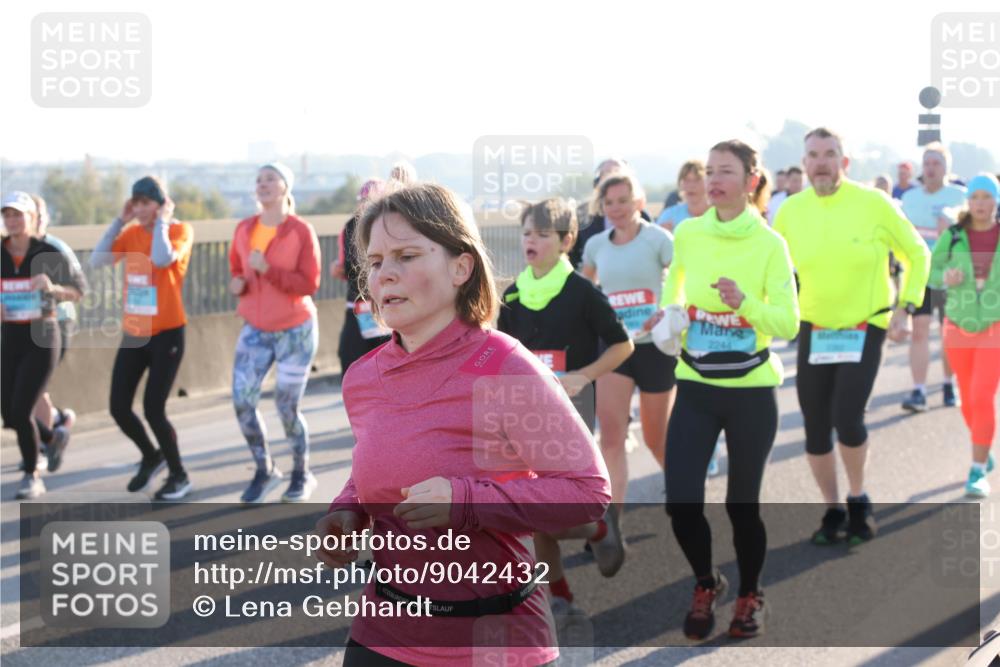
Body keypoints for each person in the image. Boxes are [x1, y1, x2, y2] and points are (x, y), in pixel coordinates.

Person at [315, 183, 611, 666]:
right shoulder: (361, 378)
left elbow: (587, 491)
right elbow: (385, 457)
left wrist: (467, 502)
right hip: (381, 635)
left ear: (461, 267)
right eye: (375, 261)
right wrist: (349, 510)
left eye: (406, 256)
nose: (384, 274)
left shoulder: (506, 366)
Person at [646, 140, 795, 639]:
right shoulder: (689, 233)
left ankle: (751, 593)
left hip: (751, 392)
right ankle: (707, 582)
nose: (713, 180)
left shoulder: (770, 244)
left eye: (725, 171)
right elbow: (674, 291)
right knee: (681, 502)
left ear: (751, 181)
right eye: (709, 171)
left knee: (741, 505)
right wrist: (667, 318)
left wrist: (745, 303)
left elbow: (788, 323)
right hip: (696, 387)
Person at [774, 128, 930, 545]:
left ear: (844, 162)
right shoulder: (790, 211)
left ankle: (858, 498)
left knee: (847, 417)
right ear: (804, 164)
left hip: (866, 324)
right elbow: (772, 267)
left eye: (829, 154)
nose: (821, 162)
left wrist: (907, 306)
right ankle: (832, 509)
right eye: (813, 155)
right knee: (814, 427)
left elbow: (917, 253)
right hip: (814, 328)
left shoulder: (873, 203)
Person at [497, 197, 634, 622]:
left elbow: (623, 345)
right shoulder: (513, 294)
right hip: (522, 418)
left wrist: (584, 376)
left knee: (550, 514)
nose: (531, 241)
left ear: (567, 240)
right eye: (526, 233)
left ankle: (598, 527)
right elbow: (501, 356)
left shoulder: (582, 292)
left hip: (571, 413)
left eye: (542, 234)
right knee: (531, 511)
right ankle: (560, 598)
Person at [90, 176, 195, 500]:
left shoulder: (179, 230)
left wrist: (162, 221)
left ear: (161, 205)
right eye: (135, 203)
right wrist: (119, 222)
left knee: (153, 408)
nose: (139, 209)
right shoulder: (130, 233)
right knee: (118, 407)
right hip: (135, 334)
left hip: (167, 334)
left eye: (146, 203)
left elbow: (162, 259)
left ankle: (179, 475)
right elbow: (97, 260)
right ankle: (152, 456)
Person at [229, 163, 322, 503]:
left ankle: (301, 473)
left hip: (295, 330)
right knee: (242, 401)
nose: (263, 183)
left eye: (271, 178)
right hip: (255, 328)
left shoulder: (300, 231)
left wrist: (267, 270)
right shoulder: (244, 228)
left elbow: (310, 283)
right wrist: (237, 283)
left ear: (285, 187)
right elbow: (236, 267)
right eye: (259, 179)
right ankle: (264, 469)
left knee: (286, 406)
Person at [581, 172, 675, 505]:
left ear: (639, 201)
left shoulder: (658, 239)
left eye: (623, 200)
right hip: (615, 349)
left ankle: (683, 495)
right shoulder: (596, 245)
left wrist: (665, 311)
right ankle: (612, 520)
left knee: (656, 439)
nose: (616, 208)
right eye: (609, 202)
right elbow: (583, 289)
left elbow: (682, 281)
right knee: (611, 439)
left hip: (655, 349)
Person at [2, 191, 86, 499]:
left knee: (23, 409)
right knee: (9, 414)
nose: (12, 220)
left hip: (42, 336)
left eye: (18, 214)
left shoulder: (48, 251)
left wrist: (53, 289)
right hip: (10, 336)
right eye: (7, 215)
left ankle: (31, 476)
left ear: (31, 218)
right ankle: (52, 438)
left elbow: (79, 291)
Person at [929, 174, 1000, 497]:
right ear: (968, 201)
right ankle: (982, 444)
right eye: (975, 197)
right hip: (958, 325)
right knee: (968, 399)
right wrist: (946, 275)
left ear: (996, 200)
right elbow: (931, 273)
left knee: (982, 395)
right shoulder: (954, 235)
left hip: (994, 326)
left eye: (987, 196)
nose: (981, 203)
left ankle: (976, 469)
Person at [900, 143, 967, 411]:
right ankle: (919, 390)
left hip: (952, 276)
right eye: (926, 163)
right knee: (919, 330)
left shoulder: (960, 196)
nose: (930, 168)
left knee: (949, 333)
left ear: (946, 168)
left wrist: (952, 227)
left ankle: (949, 383)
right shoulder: (910, 198)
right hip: (920, 276)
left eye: (936, 163)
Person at [29, 195, 79, 470]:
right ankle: (58, 421)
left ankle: (39, 448)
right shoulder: (13, 249)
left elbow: (77, 289)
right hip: (25, 326)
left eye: (38, 215)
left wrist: (51, 290)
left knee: (35, 388)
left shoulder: (55, 248)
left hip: (57, 324)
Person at [333, 178, 392, 375]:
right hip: (358, 306)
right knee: (350, 359)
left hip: (386, 305)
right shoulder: (350, 226)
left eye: (372, 201)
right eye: (363, 201)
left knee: (386, 361)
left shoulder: (392, 225)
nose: (366, 206)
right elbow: (348, 266)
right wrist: (339, 269)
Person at [570, 159, 651, 268]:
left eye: (617, 173)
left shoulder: (643, 217)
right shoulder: (582, 215)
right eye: (606, 175)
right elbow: (572, 254)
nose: (611, 179)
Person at [656, 160, 709, 232]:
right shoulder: (669, 216)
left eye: (697, 180)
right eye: (686, 180)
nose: (691, 185)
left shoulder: (720, 214)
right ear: (680, 183)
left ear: (708, 182)